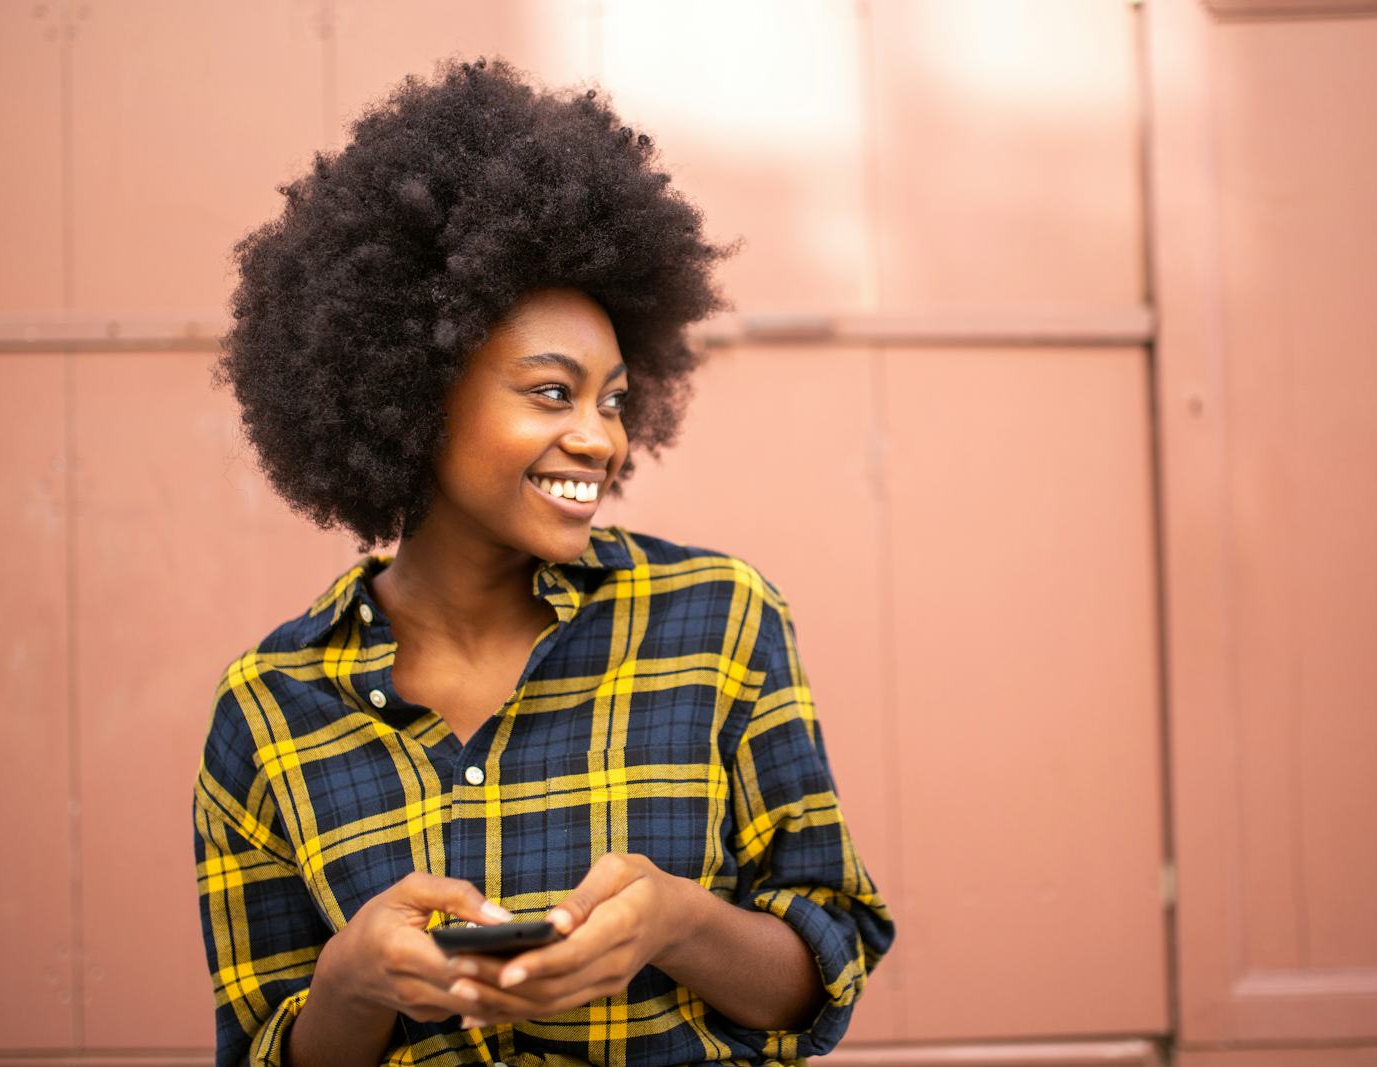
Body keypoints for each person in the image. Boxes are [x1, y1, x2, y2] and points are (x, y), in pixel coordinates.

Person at [194, 56, 893, 1067]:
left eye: (613, 400)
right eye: (553, 393)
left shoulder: (718, 622)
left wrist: (677, 923)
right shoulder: (267, 712)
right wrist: (351, 980)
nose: (603, 440)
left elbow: (825, 970)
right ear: (415, 385)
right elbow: (264, 1046)